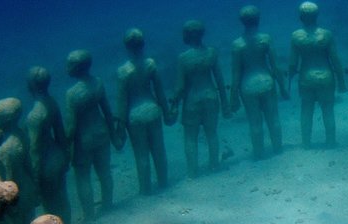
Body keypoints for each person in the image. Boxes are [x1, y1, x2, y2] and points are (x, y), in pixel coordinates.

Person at [115, 28, 174, 196]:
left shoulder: (123, 71)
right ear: (143, 44)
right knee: (158, 149)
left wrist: (120, 126)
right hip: (153, 111)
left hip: (135, 116)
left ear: (126, 47)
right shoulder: (150, 64)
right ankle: (163, 182)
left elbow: (121, 101)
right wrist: (167, 112)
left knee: (141, 154)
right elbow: (160, 92)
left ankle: (145, 190)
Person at [172, 20, 230, 179]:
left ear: (187, 35)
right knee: (212, 133)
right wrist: (225, 103)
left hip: (192, 101)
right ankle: (214, 165)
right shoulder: (211, 53)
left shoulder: (183, 58)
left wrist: (174, 104)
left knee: (191, 137)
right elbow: (219, 79)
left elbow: (180, 87)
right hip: (211, 97)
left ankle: (192, 172)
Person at [64, 49, 118, 221]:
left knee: (83, 177)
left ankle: (89, 215)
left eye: (70, 64)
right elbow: (107, 112)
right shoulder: (98, 83)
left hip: (83, 140)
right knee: (104, 172)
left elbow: (71, 127)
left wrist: (66, 145)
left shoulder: (72, 94)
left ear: (77, 67)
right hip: (101, 133)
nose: (67, 67)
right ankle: (108, 205)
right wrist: (114, 134)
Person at [230, 5, 289, 160]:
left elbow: (236, 73)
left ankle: (259, 153)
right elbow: (275, 67)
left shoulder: (237, 44)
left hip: (248, 86)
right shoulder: (265, 39)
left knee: (254, 122)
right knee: (273, 118)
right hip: (267, 82)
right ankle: (278, 149)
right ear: (258, 19)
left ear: (241, 22)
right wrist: (283, 87)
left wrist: (233, 96)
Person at [289, 2, 346, 148]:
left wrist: (288, 83)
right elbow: (335, 60)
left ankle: (306, 143)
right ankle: (331, 141)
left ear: (301, 17)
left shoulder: (296, 36)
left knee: (306, 111)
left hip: (306, 78)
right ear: (317, 15)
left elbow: (292, 64)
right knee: (328, 110)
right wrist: (341, 81)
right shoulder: (326, 35)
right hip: (326, 77)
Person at [26, 66, 71, 224]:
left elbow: (34, 151)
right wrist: (66, 156)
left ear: (31, 86)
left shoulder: (34, 116)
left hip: (46, 165)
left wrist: (36, 182)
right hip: (57, 156)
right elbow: (61, 134)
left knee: (50, 204)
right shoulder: (52, 102)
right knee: (62, 197)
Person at [0, 97, 39, 224]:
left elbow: (9, 176)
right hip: (27, 189)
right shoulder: (21, 134)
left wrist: (8, 203)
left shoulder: (5, 148)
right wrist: (35, 187)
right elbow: (29, 165)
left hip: (17, 196)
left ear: (6, 119)